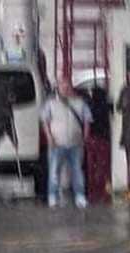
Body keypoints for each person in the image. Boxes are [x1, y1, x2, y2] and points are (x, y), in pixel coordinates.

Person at [40, 78, 92, 208]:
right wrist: (49, 138)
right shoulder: (51, 104)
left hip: (76, 143)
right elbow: (45, 122)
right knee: (54, 172)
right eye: (63, 87)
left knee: (77, 172)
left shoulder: (80, 103)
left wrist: (85, 137)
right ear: (58, 88)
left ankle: (80, 197)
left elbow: (87, 121)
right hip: (57, 143)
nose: (65, 89)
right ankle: (53, 197)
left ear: (71, 88)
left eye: (67, 87)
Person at [84, 85, 111, 205]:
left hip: (91, 139)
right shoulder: (105, 107)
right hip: (103, 140)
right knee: (103, 166)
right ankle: (103, 192)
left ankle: (92, 192)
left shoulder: (89, 107)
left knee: (91, 167)